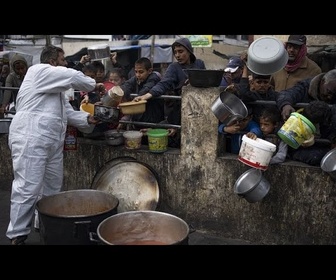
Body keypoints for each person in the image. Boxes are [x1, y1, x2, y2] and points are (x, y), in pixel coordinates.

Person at [6, 45, 104, 245]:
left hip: (51, 141)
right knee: (28, 187)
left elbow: (67, 113)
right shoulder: (38, 71)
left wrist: (88, 119)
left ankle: (43, 223)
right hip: (30, 136)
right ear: (52, 62)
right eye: (62, 59)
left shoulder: (56, 91)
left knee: (52, 186)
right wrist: (94, 85)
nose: (65, 62)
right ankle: (17, 234)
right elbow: (71, 75)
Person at [133, 37, 206, 148]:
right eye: (175, 52)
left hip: (199, 108)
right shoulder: (174, 67)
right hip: (180, 109)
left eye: (181, 51)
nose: (177, 55)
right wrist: (147, 95)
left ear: (189, 51)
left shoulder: (199, 64)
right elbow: (164, 83)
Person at [118, 57, 163, 138]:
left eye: (141, 72)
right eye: (136, 72)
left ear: (149, 71)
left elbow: (147, 88)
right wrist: (117, 94)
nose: (138, 75)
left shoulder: (154, 77)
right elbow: (126, 85)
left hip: (153, 119)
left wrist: (138, 98)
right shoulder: (136, 78)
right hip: (139, 119)